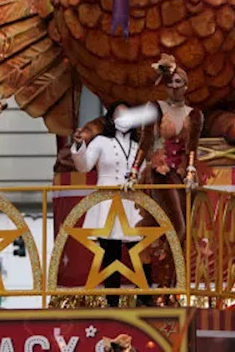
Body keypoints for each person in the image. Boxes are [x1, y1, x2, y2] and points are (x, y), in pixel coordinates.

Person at [130, 56, 203, 293]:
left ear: (186, 86)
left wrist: (191, 172)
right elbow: (146, 142)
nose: (174, 87)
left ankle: (171, 288)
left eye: (178, 82)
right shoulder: (156, 108)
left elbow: (191, 148)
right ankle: (163, 287)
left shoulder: (195, 115)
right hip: (159, 173)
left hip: (181, 176)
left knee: (179, 235)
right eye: (170, 83)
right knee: (176, 228)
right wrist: (133, 172)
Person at [70, 100, 147, 305]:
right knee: (111, 252)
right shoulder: (101, 142)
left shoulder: (139, 146)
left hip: (133, 201)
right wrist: (79, 145)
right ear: (111, 119)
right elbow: (84, 167)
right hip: (107, 202)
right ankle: (112, 301)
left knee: (140, 249)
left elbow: (145, 172)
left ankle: (145, 298)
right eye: (118, 116)